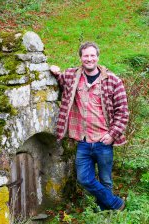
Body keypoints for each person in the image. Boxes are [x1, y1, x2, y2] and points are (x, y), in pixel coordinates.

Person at [50, 42, 129, 211]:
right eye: (86, 56)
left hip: (103, 140)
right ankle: (116, 204)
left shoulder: (113, 80)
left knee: (105, 180)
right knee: (84, 179)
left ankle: (105, 212)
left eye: (92, 55)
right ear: (80, 58)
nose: (89, 59)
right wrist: (55, 71)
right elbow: (60, 79)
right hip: (84, 140)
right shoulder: (72, 76)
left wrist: (112, 135)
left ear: (98, 57)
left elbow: (123, 112)